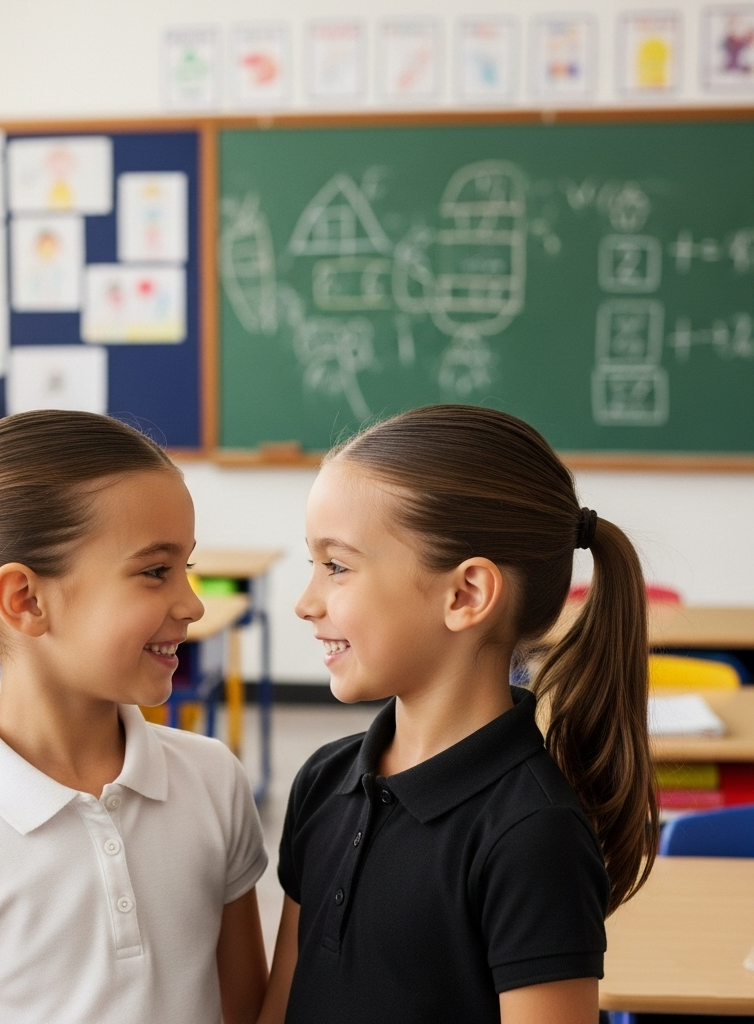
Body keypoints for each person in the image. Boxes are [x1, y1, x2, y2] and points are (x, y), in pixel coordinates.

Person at [0, 410, 268, 1024]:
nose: (192, 602)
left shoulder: (214, 781)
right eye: (156, 571)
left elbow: (246, 1008)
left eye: (187, 567)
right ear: (25, 600)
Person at [259, 405, 657, 1024]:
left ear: (465, 594)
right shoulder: (322, 781)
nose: (306, 602)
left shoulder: (533, 835)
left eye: (336, 566)